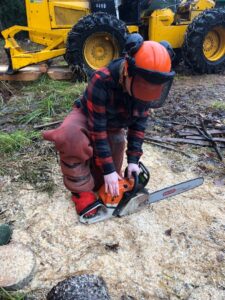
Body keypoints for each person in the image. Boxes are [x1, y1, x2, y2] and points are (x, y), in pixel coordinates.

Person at [43, 33, 175, 219]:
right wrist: (109, 170)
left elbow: (138, 126)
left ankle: (99, 178)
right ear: (128, 72)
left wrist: (133, 161)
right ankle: (81, 192)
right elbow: (97, 128)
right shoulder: (101, 80)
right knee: (70, 136)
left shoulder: (147, 88)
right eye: (142, 89)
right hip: (89, 116)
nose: (145, 96)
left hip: (114, 127)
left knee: (105, 177)